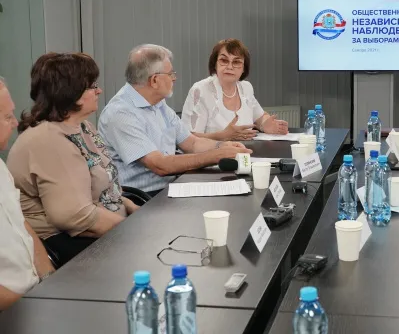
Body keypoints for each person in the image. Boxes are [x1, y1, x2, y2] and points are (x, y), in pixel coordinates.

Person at [7, 53, 139, 264]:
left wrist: (134, 209)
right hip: (65, 243)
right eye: (92, 86)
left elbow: (104, 187)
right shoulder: (48, 139)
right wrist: (137, 230)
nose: (99, 90)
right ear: (71, 92)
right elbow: (75, 216)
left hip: (103, 228)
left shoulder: (83, 126)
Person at [98, 44, 251, 195]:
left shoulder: (158, 104)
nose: (174, 78)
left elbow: (192, 143)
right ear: (155, 80)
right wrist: (217, 155)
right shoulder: (120, 114)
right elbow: (160, 165)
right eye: (171, 74)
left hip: (171, 186)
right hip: (144, 197)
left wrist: (222, 145)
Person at [0, 77, 55, 310]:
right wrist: (32, 308)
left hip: (34, 295)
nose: (15, 123)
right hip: (13, 310)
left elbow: (21, 225)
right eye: (7, 117)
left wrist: (51, 281)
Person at [181, 38, 288, 140]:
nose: (230, 67)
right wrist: (222, 136)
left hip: (246, 151)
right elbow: (187, 138)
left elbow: (260, 116)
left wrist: (265, 124)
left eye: (236, 62)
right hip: (212, 152)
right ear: (215, 64)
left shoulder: (246, 88)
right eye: (224, 60)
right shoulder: (200, 90)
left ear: (244, 68)